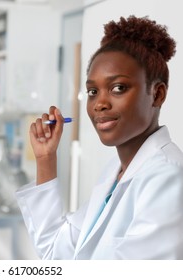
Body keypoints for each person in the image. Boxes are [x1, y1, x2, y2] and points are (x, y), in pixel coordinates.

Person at [15, 15, 183, 259]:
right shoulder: (116, 172)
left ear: (157, 94)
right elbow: (55, 252)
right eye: (93, 91)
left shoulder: (168, 179)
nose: (100, 104)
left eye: (118, 88)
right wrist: (46, 158)